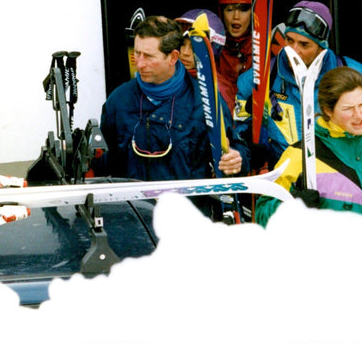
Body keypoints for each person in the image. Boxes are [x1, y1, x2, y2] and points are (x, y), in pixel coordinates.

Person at [92, 16, 249, 216]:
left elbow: (236, 149)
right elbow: (104, 167)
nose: (140, 64)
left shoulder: (204, 102)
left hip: (188, 220)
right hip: (134, 223)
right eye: (137, 53)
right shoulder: (118, 102)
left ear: (173, 57)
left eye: (149, 56)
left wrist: (237, 159)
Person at [234, 0, 362, 171]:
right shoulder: (258, 79)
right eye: (289, 40)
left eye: (304, 44)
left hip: (339, 179)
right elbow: (239, 133)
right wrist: (248, 148)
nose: (293, 50)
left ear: (322, 48)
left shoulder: (357, 77)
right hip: (286, 180)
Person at [255, 67, 362, 230]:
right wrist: (292, 207)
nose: (359, 115)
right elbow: (262, 217)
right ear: (328, 111)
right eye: (348, 109)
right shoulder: (300, 156)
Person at [174, 9, 235, 110]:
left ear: (212, 49)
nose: (185, 52)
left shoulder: (219, 89)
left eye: (194, 47)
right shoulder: (167, 75)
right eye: (181, 44)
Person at [216, 0, 253, 101]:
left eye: (243, 10)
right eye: (229, 9)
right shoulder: (212, 47)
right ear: (221, 12)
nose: (236, 16)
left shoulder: (265, 47)